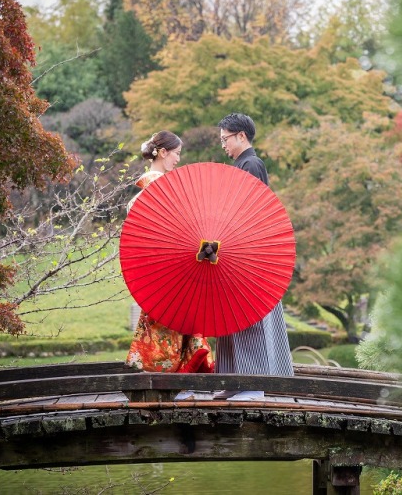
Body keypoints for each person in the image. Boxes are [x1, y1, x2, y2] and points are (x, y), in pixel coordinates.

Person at [216, 113, 294, 400]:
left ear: (241, 136)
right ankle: (234, 381)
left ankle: (252, 385)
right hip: (237, 251)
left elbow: (248, 211)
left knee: (249, 318)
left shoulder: (251, 164)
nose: (223, 145)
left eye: (225, 139)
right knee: (231, 317)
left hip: (248, 253)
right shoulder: (241, 165)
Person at [125, 131, 215, 374]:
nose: (178, 159)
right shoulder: (164, 189)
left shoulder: (142, 194)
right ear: (163, 153)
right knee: (176, 322)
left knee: (165, 322)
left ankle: (165, 375)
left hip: (155, 269)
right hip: (173, 266)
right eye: (176, 153)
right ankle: (176, 376)